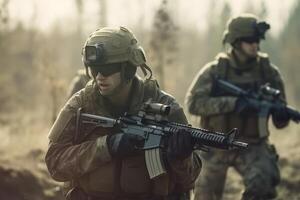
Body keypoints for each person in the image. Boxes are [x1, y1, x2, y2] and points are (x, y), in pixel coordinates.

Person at [45, 26, 201, 200]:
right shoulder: (81, 105)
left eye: (107, 69)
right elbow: (55, 163)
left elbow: (189, 180)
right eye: (94, 69)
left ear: (128, 69)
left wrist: (181, 158)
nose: (99, 77)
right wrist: (106, 147)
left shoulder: (165, 107)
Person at [185, 13, 290, 200]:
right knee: (204, 193)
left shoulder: (268, 73)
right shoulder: (215, 71)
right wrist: (233, 104)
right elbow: (193, 104)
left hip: (252, 145)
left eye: (257, 40)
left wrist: (281, 112)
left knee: (263, 185)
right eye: (249, 40)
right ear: (235, 41)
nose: (255, 45)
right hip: (214, 142)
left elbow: (280, 123)